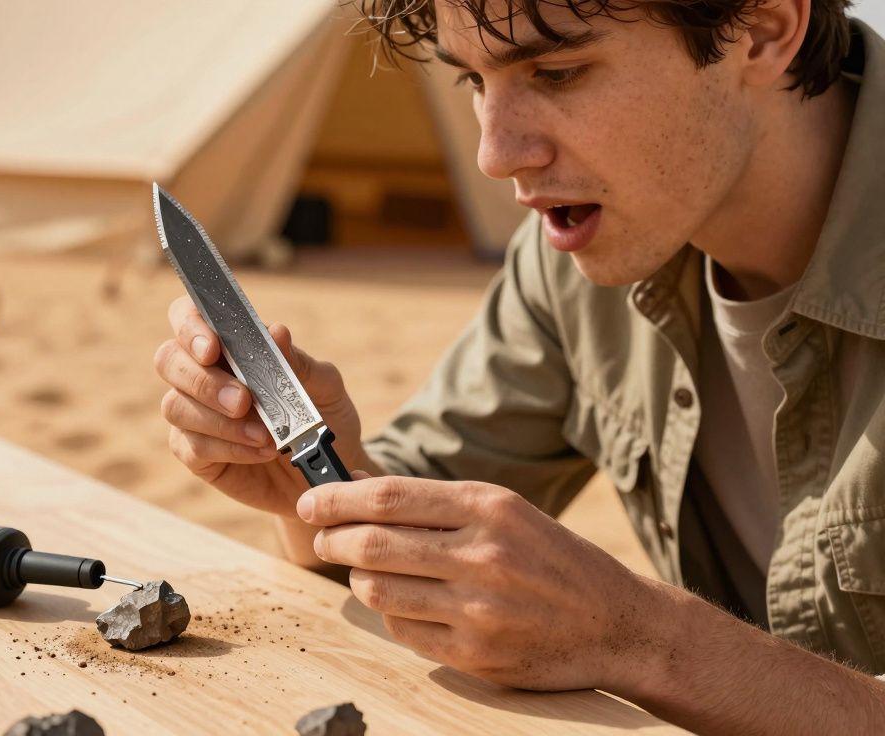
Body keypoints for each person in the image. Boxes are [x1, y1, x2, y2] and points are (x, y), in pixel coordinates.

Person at [154, 0, 885, 732]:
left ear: (762, 30)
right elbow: (426, 535)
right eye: (474, 81)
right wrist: (316, 490)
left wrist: (643, 638)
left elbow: (640, 638)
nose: (495, 154)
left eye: (558, 71)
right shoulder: (578, 250)